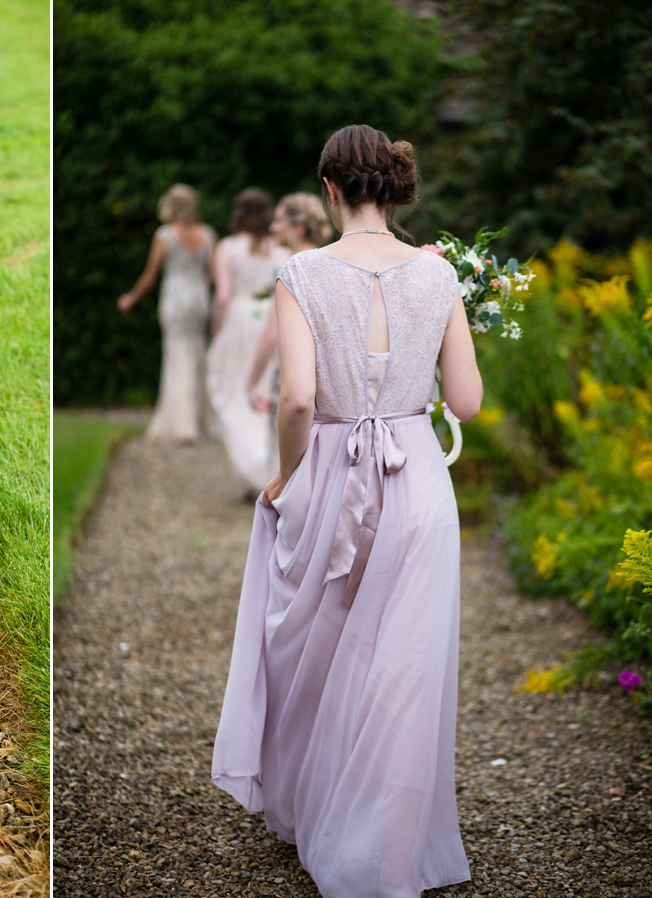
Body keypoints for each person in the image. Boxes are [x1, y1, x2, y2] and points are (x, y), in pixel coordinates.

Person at [211, 124, 482, 897]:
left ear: (329, 189)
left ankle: (314, 810)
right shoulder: (439, 275)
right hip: (418, 477)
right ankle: (385, 844)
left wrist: (287, 478)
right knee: (403, 665)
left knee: (315, 647)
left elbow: (298, 397)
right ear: (390, 187)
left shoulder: (303, 271)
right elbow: (465, 399)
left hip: (333, 470)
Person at [204, 189, 290, 498]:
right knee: (268, 394)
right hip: (274, 321)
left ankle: (252, 469)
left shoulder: (227, 247)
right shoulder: (282, 250)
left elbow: (223, 296)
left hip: (239, 323)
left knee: (234, 394)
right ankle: (264, 470)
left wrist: (216, 331)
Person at [118, 184, 215, 441]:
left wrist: (131, 298)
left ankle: (182, 424)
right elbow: (213, 274)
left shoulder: (165, 235)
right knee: (196, 353)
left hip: (175, 296)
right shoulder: (207, 234)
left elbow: (150, 275)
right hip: (198, 297)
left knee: (177, 353)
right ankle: (199, 420)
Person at [246, 193, 334, 414]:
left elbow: (271, 335)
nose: (273, 228)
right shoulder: (332, 265)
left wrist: (251, 384)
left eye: (279, 221)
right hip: (327, 382)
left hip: (293, 376)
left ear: (299, 227)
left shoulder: (290, 270)